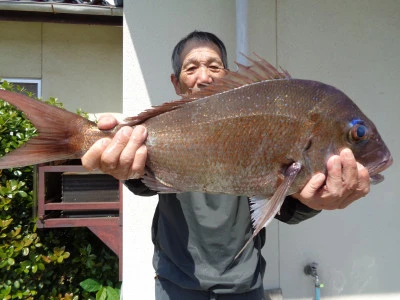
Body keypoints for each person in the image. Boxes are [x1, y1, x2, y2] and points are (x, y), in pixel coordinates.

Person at [82, 31, 370, 299]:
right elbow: (144, 184)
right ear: (176, 82)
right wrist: (126, 169)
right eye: (191, 68)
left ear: (228, 76)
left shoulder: (255, 125)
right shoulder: (163, 129)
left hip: (244, 286)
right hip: (176, 283)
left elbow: (285, 208)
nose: (203, 77)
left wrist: (314, 199)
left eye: (214, 66)